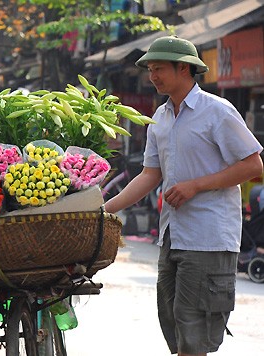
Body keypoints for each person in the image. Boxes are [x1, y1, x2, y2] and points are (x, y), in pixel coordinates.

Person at [104, 36, 263, 356]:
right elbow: (150, 175)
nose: (152, 76)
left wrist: (196, 185)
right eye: (150, 69)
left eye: (159, 68)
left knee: (195, 332)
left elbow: (253, 165)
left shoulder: (217, 111)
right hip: (172, 235)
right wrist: (102, 208)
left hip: (209, 237)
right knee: (174, 326)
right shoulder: (159, 119)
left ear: (184, 68)